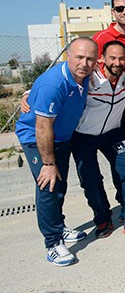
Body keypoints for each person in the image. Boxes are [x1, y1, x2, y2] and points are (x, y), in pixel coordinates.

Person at [16, 38, 97, 266]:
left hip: (62, 137)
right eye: (79, 57)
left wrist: (28, 91)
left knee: (60, 185)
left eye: (90, 58)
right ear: (68, 56)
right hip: (36, 138)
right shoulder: (54, 84)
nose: (84, 63)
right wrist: (48, 164)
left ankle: (59, 226)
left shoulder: (85, 75)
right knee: (49, 186)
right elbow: (42, 127)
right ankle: (53, 243)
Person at [69, 41, 125, 239]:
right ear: (102, 58)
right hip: (83, 136)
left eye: (121, 58)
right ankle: (103, 218)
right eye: (112, 58)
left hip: (114, 134)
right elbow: (58, 85)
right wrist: (28, 94)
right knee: (91, 179)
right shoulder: (88, 78)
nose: (117, 62)